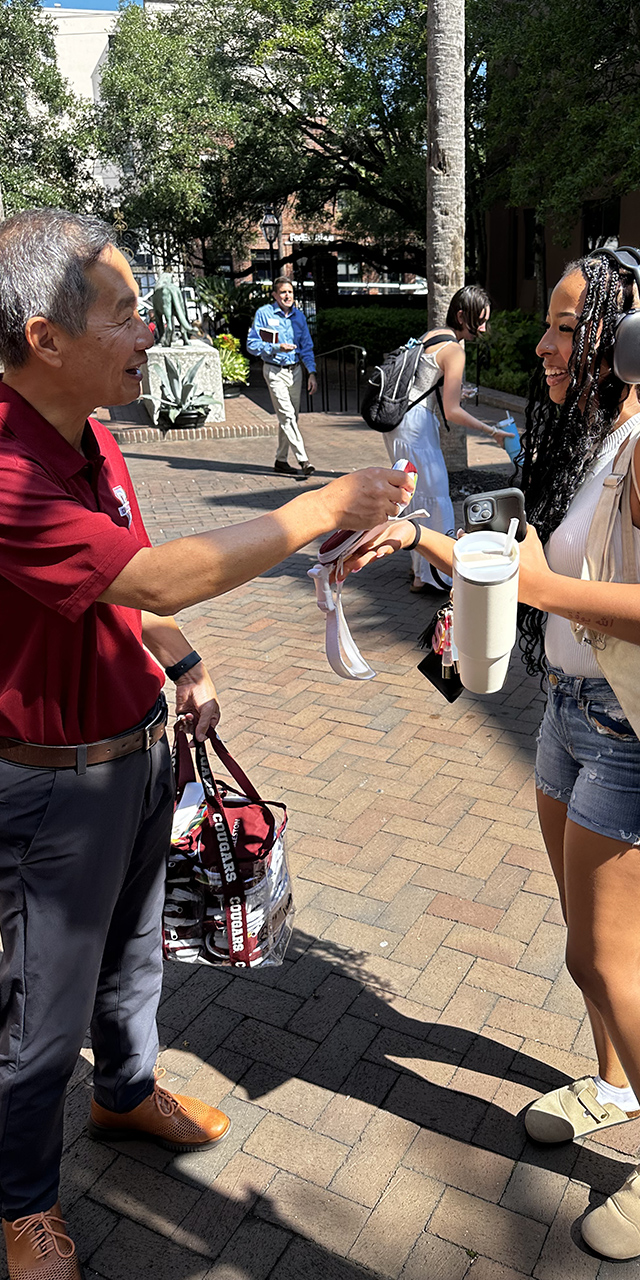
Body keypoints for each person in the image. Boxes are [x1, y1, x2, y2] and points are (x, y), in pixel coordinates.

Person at [0, 208, 414, 1280]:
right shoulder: (6, 467)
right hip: (49, 785)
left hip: (135, 752)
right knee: (40, 1009)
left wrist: (183, 667)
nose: (151, 331)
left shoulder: (91, 432)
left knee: (137, 950)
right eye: (128, 313)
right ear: (46, 337)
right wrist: (323, 498)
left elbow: (129, 594)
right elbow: (155, 575)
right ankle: (24, 1206)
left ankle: (126, 1092)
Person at [340, 225, 640, 1261]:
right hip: (573, 715)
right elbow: (523, 564)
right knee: (581, 941)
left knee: (609, 958)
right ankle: (610, 1085)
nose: (542, 346)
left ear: (635, 341)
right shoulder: (591, 439)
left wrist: (544, 587)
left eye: (566, 327)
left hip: (630, 738)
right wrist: (426, 539)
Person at [381, 285, 513, 593]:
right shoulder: (455, 350)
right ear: (461, 315)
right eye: (479, 321)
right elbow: (452, 411)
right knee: (435, 496)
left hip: (400, 421)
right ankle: (436, 575)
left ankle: (420, 571)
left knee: (416, 495)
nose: (483, 328)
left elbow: (426, 383)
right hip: (416, 426)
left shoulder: (434, 336)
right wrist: (491, 431)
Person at [247, 276, 318, 478]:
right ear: (275, 295)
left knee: (290, 418)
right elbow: (252, 345)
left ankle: (281, 460)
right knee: (286, 415)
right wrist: (276, 347)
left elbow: (307, 347)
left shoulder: (299, 317)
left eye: (290, 292)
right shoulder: (264, 314)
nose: (288, 296)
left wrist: (311, 373)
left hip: (295, 372)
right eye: (283, 292)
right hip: (274, 370)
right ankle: (304, 460)